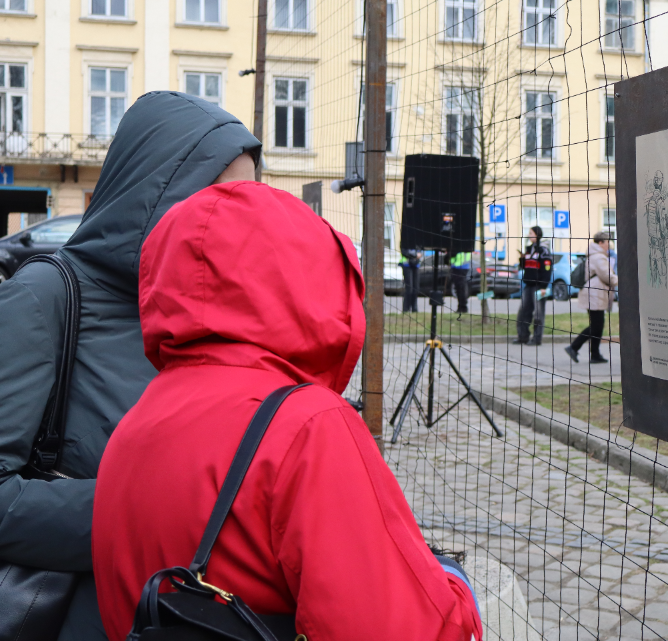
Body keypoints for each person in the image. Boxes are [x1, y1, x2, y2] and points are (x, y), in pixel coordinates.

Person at [91, 183, 482, 641]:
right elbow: (403, 629)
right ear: (308, 279)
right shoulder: (307, 425)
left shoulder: (137, 420)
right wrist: (456, 584)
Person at [0, 92, 261, 641]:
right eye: (219, 196)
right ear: (157, 191)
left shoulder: (211, 310)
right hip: (75, 614)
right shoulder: (44, 297)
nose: (238, 221)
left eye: (249, 200)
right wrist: (141, 511)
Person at [565, 232, 618, 364]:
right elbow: (607, 276)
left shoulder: (594, 255)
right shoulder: (599, 257)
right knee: (596, 326)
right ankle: (574, 347)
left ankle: (595, 354)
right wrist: (620, 279)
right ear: (600, 243)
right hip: (595, 294)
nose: (609, 246)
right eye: (607, 242)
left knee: (597, 325)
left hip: (594, 293)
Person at [514, 225, 553, 346]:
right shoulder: (529, 249)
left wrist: (543, 287)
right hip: (528, 285)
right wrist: (522, 259)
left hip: (538, 286)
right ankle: (522, 336)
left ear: (537, 234)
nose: (529, 235)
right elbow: (526, 267)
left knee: (538, 314)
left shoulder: (543, 250)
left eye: (531, 233)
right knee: (523, 312)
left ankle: (536, 339)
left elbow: (547, 269)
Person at [400, 247, 422, 312]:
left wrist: (419, 255)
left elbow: (421, 251)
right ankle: (406, 309)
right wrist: (415, 255)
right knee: (409, 288)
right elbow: (404, 252)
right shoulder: (405, 240)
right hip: (407, 265)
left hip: (416, 265)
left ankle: (414, 309)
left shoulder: (417, 241)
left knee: (416, 288)